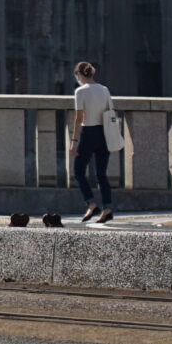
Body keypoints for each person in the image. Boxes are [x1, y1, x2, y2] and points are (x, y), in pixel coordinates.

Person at [71, 60, 116, 224]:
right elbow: (109, 112)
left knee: (78, 171)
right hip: (103, 133)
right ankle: (108, 207)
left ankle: (91, 203)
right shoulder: (104, 89)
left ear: (80, 74)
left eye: (76, 75)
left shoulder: (80, 92)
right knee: (101, 174)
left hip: (88, 132)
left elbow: (79, 118)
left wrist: (74, 140)